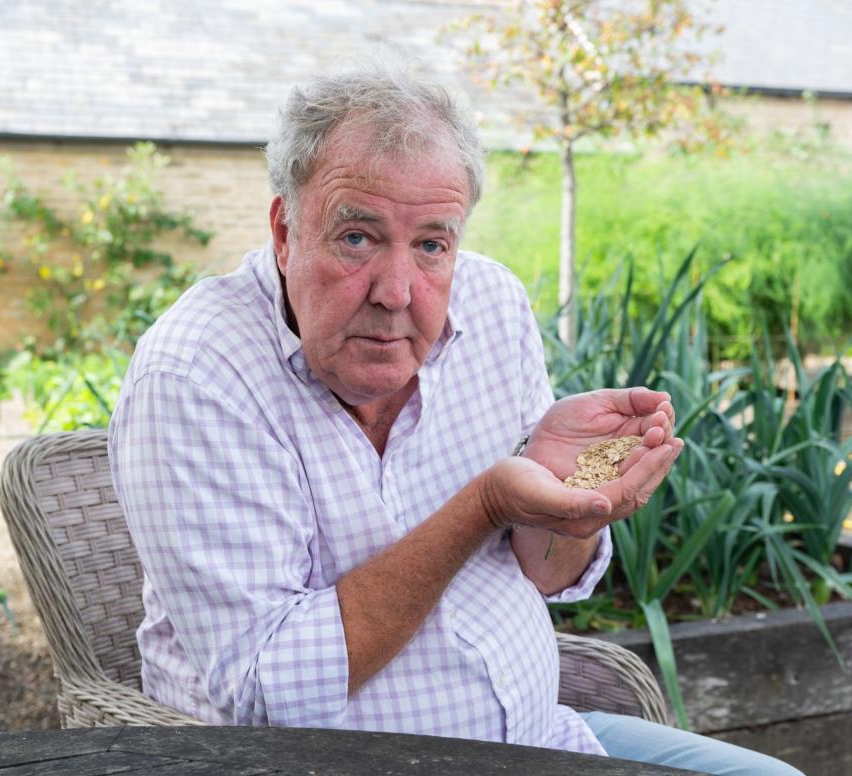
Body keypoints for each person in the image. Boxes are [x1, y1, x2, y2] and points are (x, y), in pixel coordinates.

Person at [108, 60, 803, 776]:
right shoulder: (196, 376)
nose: (396, 292)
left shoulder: (490, 304)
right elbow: (265, 692)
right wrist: (482, 505)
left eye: (432, 244)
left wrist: (570, 506)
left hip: (541, 739)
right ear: (286, 231)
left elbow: (542, 573)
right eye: (357, 237)